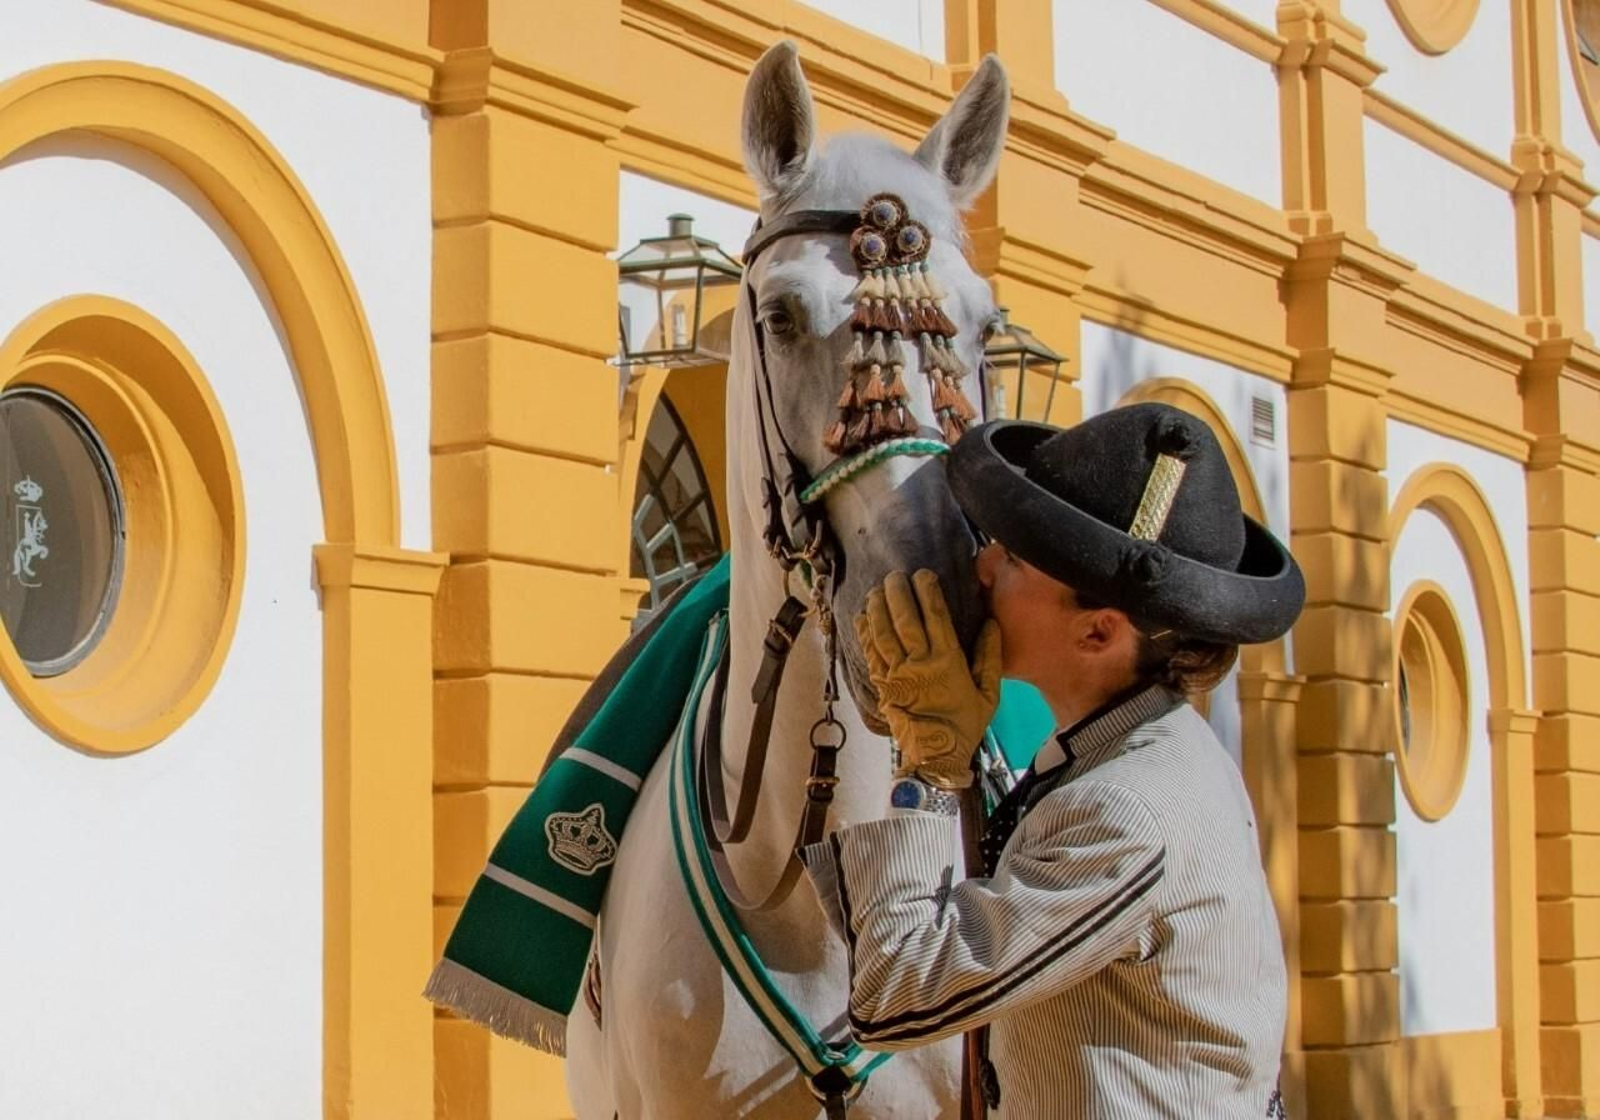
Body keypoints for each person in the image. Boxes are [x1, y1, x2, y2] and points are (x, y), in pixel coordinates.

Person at [801, 402, 1305, 1119]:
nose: (981, 567)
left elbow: (896, 995)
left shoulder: (1123, 809)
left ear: (1098, 632)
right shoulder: (1137, 748)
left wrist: (930, 766)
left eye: (1012, 559)